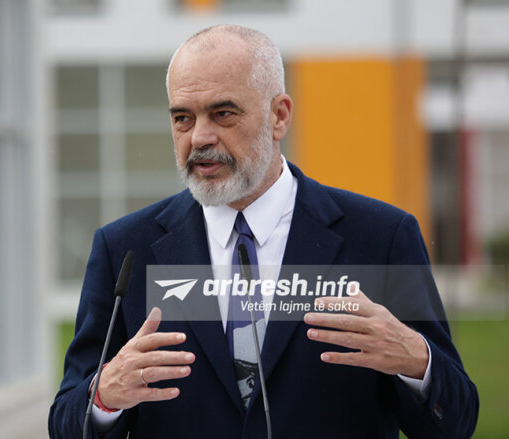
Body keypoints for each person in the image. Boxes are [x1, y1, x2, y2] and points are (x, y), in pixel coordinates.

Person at [49, 25, 478, 438]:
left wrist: (416, 361)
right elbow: (67, 421)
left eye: (223, 113)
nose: (199, 137)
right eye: (183, 118)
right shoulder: (125, 250)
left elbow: (455, 421)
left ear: (279, 116)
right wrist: (103, 397)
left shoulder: (380, 238)